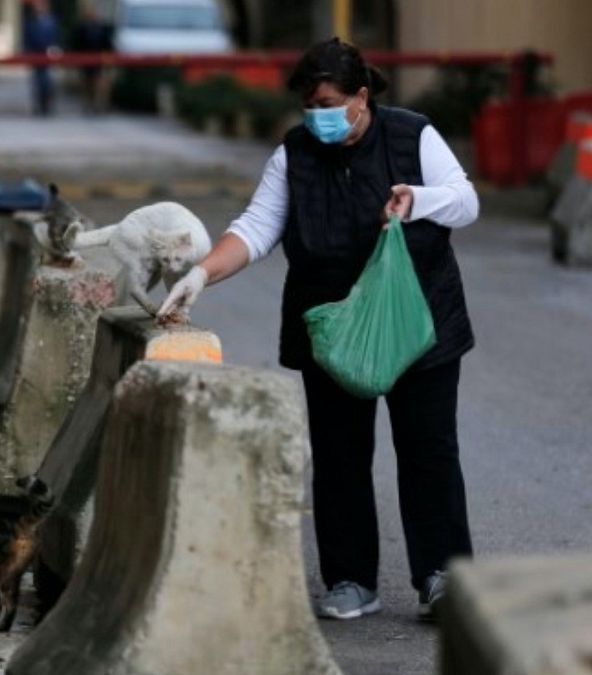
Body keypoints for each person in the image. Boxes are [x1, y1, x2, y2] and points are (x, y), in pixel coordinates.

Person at [157, 38, 479, 622]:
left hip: (417, 321)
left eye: (328, 104)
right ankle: (351, 579)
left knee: (428, 449)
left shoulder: (412, 136)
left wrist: (417, 199)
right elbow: (257, 227)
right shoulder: (294, 155)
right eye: (308, 106)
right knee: (338, 453)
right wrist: (201, 274)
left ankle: (443, 576)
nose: (316, 117)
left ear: (362, 97)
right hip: (331, 327)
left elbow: (465, 201)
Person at [71, 2, 114, 114]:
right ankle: (88, 104)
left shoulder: (102, 28)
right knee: (87, 85)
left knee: (99, 84)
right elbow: (77, 44)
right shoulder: (82, 28)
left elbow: (108, 45)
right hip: (85, 62)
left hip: (99, 61)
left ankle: (98, 105)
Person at [22, 0, 60, 116]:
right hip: (35, 56)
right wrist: (28, 52)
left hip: (48, 56)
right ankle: (39, 105)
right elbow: (26, 39)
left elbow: (55, 38)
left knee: (48, 82)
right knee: (37, 82)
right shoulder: (30, 22)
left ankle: (47, 105)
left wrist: (54, 49)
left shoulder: (52, 21)